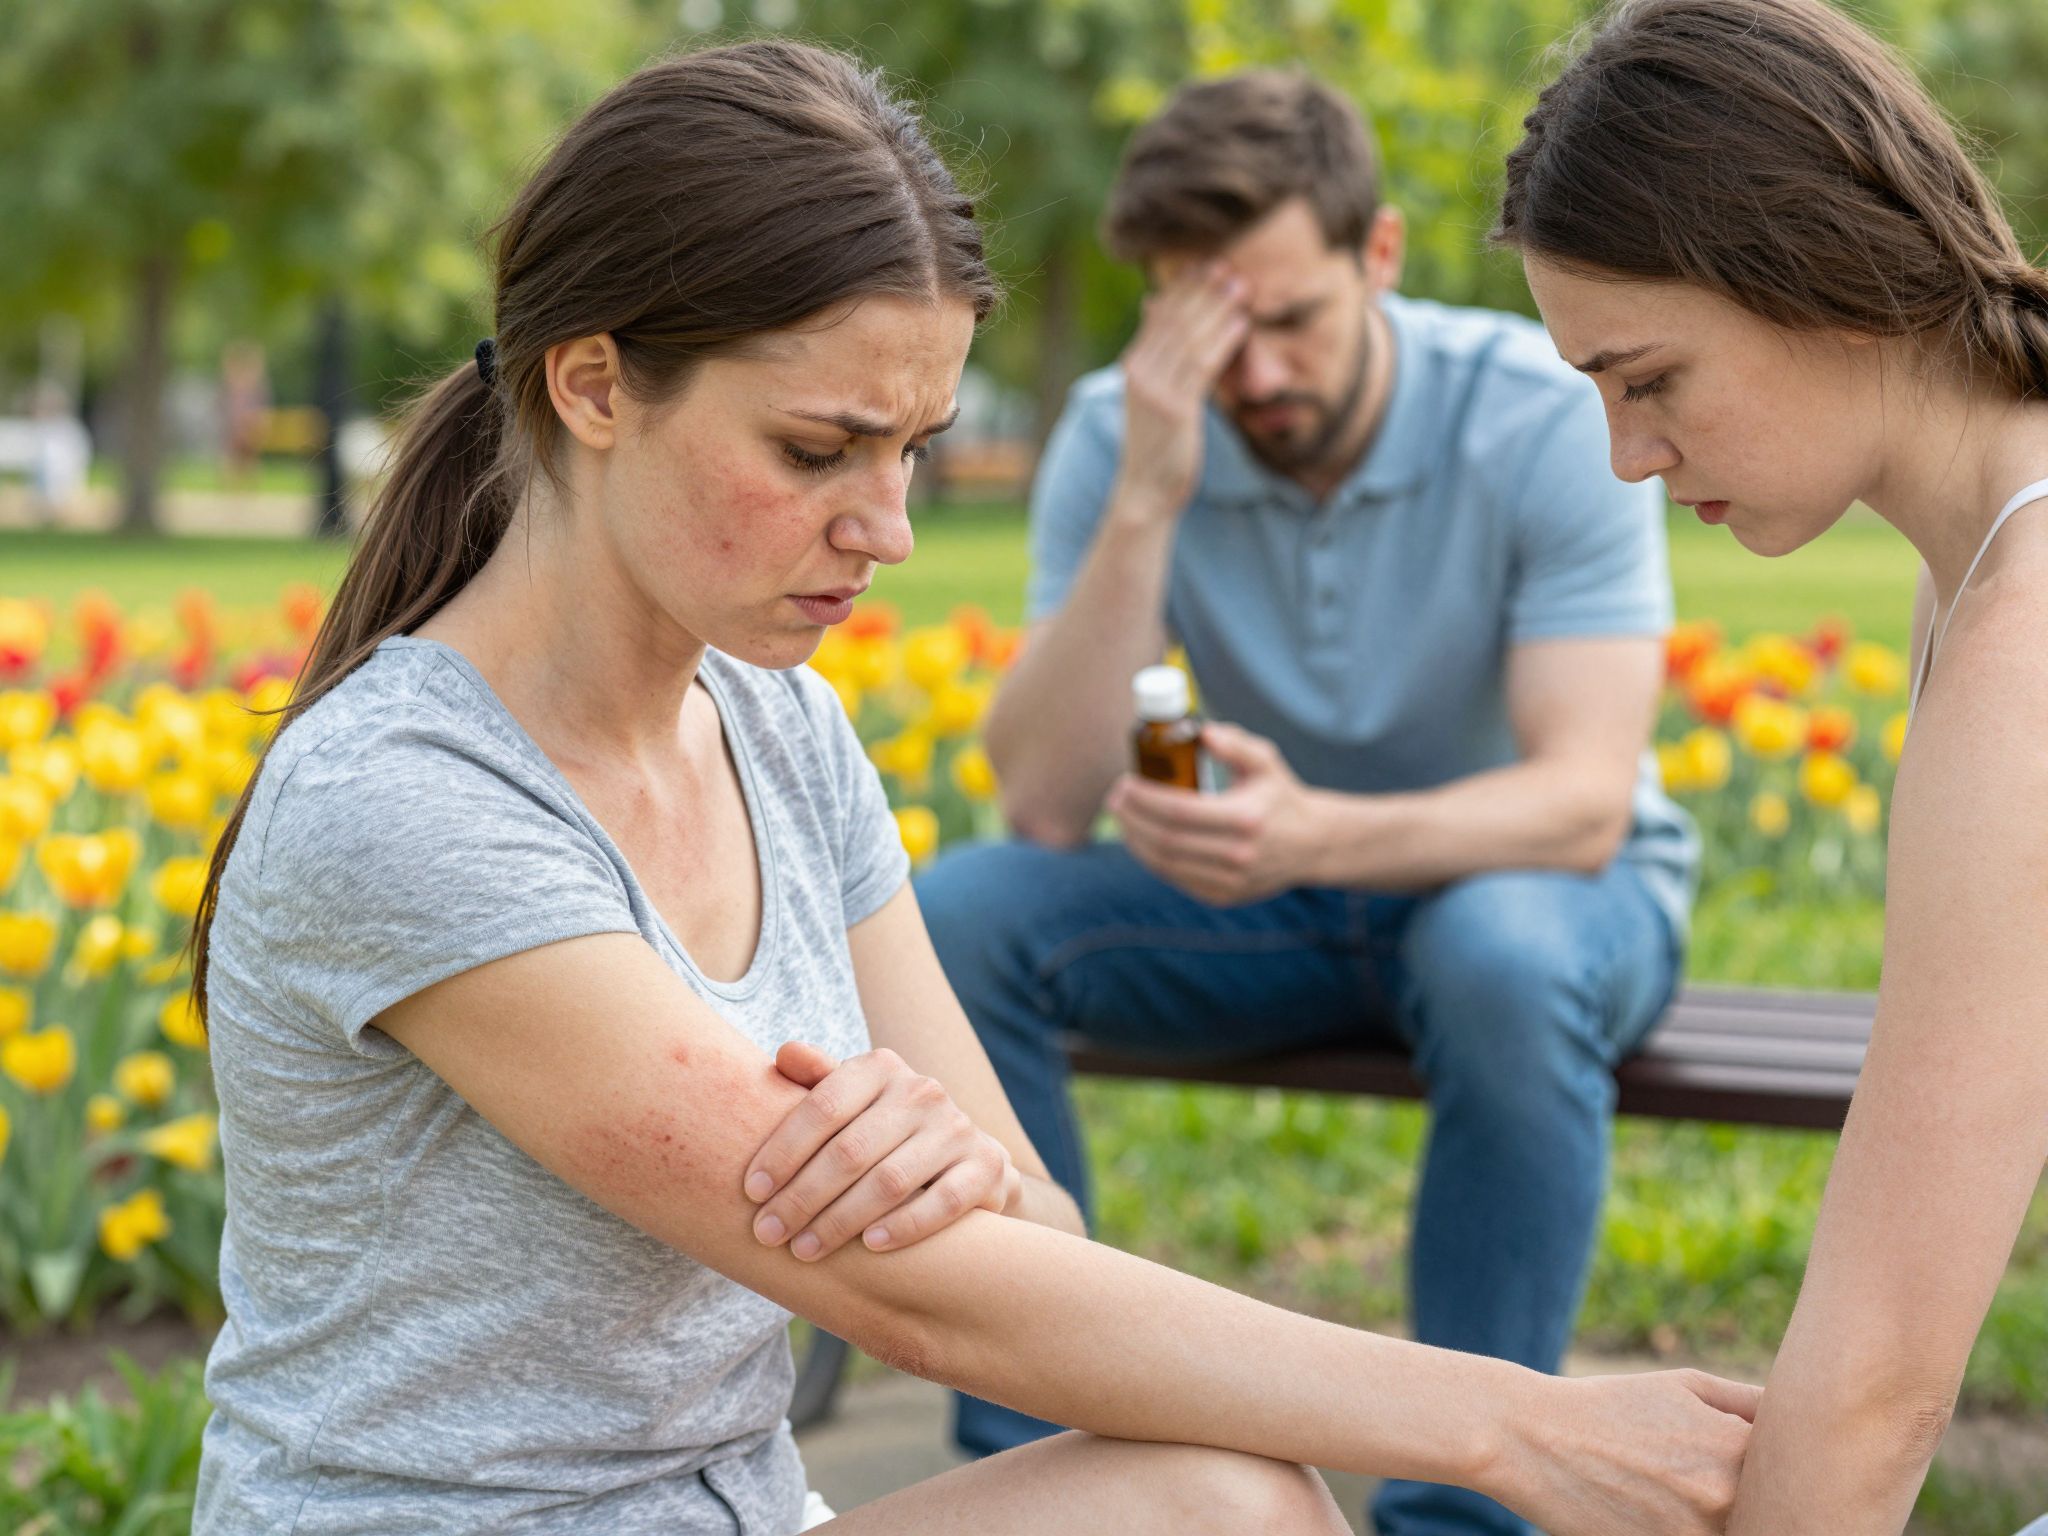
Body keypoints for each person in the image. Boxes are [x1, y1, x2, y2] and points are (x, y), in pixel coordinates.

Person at [188, 39, 1757, 1536]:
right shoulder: (404, 803)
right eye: (820, 451)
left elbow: (1025, 1239)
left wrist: (946, 1153)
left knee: (1234, 1506)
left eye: (918, 449)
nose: (890, 527)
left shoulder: (777, 733)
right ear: (593, 387)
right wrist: (1517, 1423)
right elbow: (921, 1292)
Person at [916, 69, 1697, 1536]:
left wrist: (1320, 834)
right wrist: (1149, 490)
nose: (1256, 373)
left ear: (1379, 256)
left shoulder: (1539, 412)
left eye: (1289, 320)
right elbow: (1039, 797)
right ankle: (1029, 1475)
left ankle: (1461, 1515)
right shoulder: (1124, 430)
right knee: (956, 919)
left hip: (1540, 897)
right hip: (1281, 906)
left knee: (1502, 960)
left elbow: (1581, 805)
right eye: (1212, 331)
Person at [1494, 0, 2048, 1529]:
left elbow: (1879, 1386)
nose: (1626, 455)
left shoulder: (2027, 644)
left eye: (1650, 376)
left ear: (1822, 277)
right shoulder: (1995, 554)